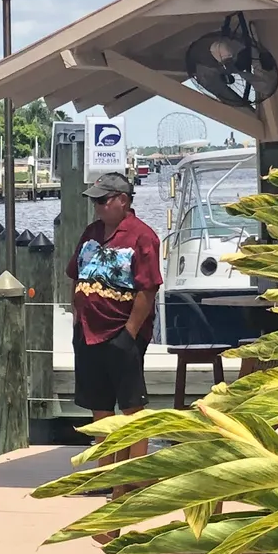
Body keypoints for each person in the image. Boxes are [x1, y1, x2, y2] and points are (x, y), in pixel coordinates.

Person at [66, 169, 162, 458]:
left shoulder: (142, 236)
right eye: (94, 201)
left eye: (102, 200)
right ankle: (106, 470)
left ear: (123, 200)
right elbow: (75, 274)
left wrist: (129, 333)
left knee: (132, 406)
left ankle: (135, 470)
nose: (97, 206)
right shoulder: (90, 233)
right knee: (99, 407)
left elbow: (148, 288)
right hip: (87, 332)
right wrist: (76, 317)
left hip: (121, 332)